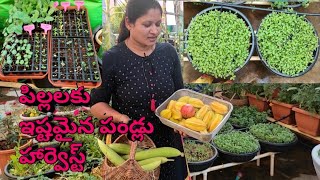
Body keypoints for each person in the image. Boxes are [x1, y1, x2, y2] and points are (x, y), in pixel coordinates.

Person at [90, 0, 188, 179]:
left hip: (168, 144)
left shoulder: (169, 53)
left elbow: (179, 96)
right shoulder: (113, 58)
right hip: (132, 147)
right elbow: (96, 104)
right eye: (147, 24)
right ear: (129, 23)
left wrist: (183, 121)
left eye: (158, 24)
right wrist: (120, 118)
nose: (155, 31)